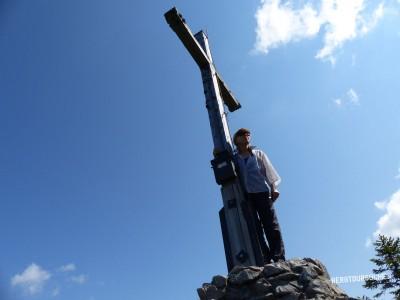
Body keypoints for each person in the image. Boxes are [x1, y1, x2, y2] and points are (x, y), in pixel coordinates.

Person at [232, 128, 286, 263]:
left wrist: (274, 188)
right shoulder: (235, 159)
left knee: (271, 225)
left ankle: (279, 258)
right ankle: (264, 259)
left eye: (247, 134)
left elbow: (269, 171)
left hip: (262, 192)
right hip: (246, 196)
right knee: (255, 228)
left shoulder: (258, 154)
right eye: (242, 134)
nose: (246, 136)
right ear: (236, 140)